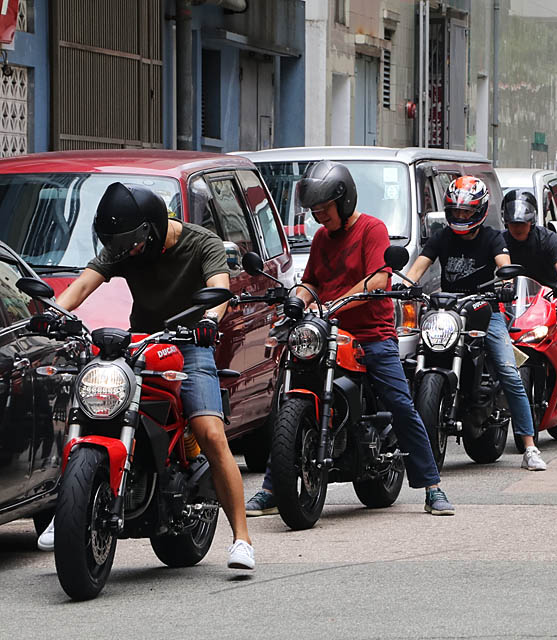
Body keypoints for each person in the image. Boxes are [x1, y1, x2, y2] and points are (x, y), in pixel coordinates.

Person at [36, 183, 255, 570]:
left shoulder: (201, 242)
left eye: (133, 246)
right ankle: (67, 509)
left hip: (189, 343)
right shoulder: (125, 243)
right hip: (139, 342)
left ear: (151, 229)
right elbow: (84, 284)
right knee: (91, 406)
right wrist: (54, 315)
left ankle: (241, 539)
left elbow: (218, 290)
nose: (128, 253)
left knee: (209, 432)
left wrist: (207, 320)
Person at [244, 161, 455, 517]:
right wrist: (299, 297)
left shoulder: (373, 229)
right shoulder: (322, 238)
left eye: (323, 210)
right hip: (328, 332)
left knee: (400, 403)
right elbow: (311, 280)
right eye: (314, 211)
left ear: (342, 201)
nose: (319, 217)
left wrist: (338, 301)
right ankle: (272, 486)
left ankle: (432, 485)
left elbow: (379, 279)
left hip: (371, 334)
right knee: (288, 392)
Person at [405, 177, 546, 471]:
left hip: (486, 311)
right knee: (406, 361)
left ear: (479, 211)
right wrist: (404, 284)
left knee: (509, 371)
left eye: (467, 212)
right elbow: (418, 267)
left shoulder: (493, 237)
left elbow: (503, 263)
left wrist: (505, 284)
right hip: (447, 310)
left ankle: (530, 447)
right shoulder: (442, 236)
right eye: (456, 212)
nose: (461, 217)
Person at [500, 189, 557, 401]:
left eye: (522, 223)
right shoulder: (500, 242)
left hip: (550, 294)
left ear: (531, 222)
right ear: (505, 222)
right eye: (513, 223)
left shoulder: (548, 239)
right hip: (514, 299)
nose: (517, 227)